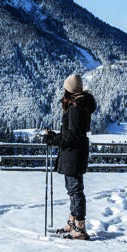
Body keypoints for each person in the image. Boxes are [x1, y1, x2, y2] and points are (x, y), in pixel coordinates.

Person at [43, 74, 96, 240]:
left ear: (69, 90)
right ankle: (73, 223)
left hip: (73, 153)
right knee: (73, 189)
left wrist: (53, 139)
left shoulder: (75, 107)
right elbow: (72, 133)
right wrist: (56, 136)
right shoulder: (80, 105)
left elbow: (72, 136)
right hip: (75, 152)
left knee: (75, 190)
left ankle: (79, 228)